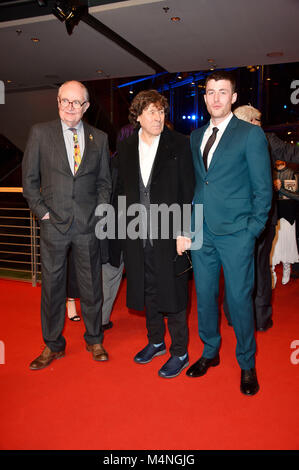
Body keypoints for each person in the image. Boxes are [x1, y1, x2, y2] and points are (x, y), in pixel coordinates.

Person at [187, 71, 272, 395]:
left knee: (238, 300)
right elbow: (199, 185)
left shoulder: (250, 135)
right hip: (202, 231)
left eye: (223, 92)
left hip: (237, 233)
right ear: (205, 97)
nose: (217, 98)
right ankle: (210, 353)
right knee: (205, 298)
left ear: (234, 97)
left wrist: (252, 231)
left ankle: (247, 363)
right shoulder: (195, 136)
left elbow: (263, 191)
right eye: (211, 92)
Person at [22, 80, 112, 369]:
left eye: (77, 102)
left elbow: (104, 183)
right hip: (53, 225)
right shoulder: (40, 133)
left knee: (91, 286)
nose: (70, 107)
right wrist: (43, 213)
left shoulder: (99, 137)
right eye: (65, 101)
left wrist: (97, 212)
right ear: (58, 102)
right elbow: (29, 182)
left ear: (86, 106)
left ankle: (94, 339)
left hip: (87, 225)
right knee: (52, 287)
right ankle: (52, 345)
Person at [117, 89, 194, 378]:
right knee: (147, 289)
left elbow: (189, 191)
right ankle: (156, 341)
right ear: (137, 116)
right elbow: (120, 191)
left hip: (170, 232)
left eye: (161, 111)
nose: (158, 117)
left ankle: (180, 351)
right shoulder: (125, 148)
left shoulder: (179, 144)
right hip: (138, 234)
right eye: (151, 111)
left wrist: (185, 231)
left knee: (173, 292)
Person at [223, 105, 299, 331]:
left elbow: (292, 153)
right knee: (250, 268)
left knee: (249, 268)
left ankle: (252, 318)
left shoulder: (263, 140)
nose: (260, 125)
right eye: (258, 120)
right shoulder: (255, 140)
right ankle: (250, 317)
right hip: (242, 218)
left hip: (259, 218)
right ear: (251, 121)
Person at [65, 124, 135, 327]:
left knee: (109, 276)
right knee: (117, 274)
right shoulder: (136, 165)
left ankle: (99, 321)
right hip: (126, 226)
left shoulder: (108, 162)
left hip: (107, 227)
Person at [271, 160, 299, 284]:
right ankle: (271, 272)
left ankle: (287, 267)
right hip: (272, 212)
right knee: (272, 244)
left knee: (287, 241)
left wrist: (280, 189)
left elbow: (297, 196)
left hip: (288, 212)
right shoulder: (269, 172)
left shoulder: (293, 173)